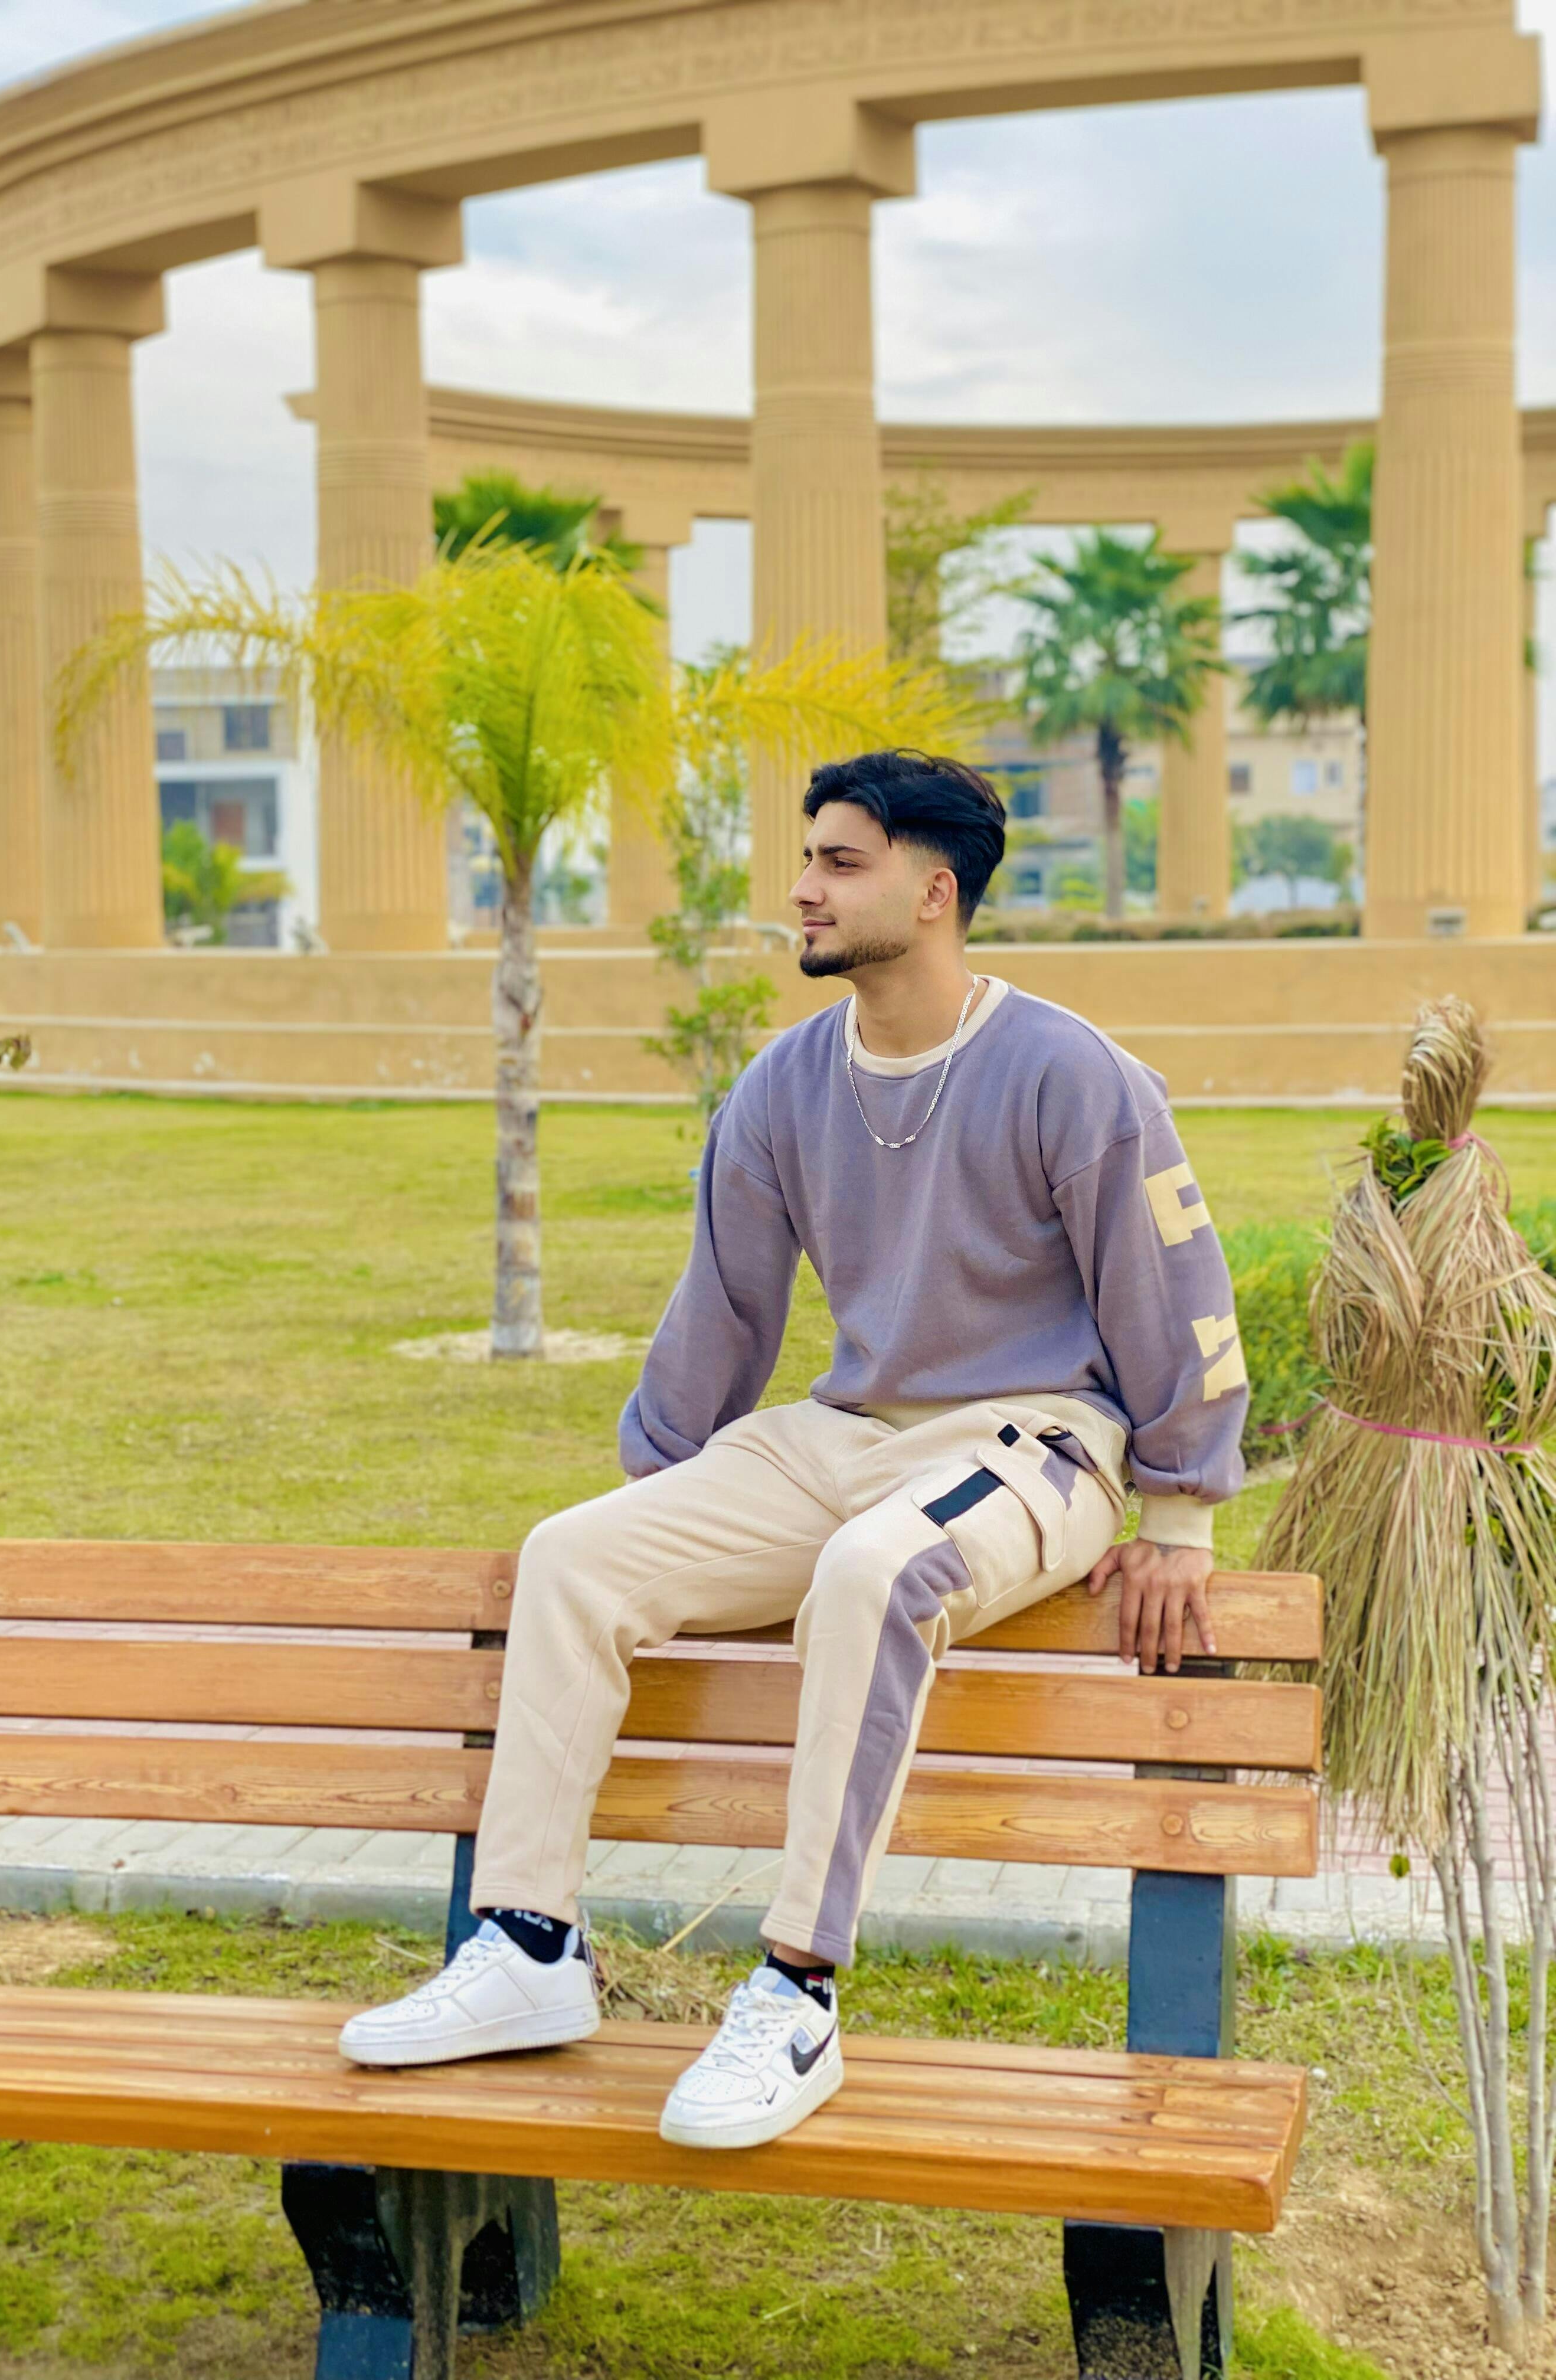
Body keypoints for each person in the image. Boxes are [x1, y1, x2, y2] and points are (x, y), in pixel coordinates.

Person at [338, 748, 1248, 2152]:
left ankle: (796, 1992)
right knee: (574, 1557)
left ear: (933, 893)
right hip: (841, 1435)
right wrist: (669, 1495)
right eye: (808, 859)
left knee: (876, 1572)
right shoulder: (782, 1084)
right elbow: (723, 1308)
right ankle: (527, 1946)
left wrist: (1182, 1511)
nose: (803, 888)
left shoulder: (1069, 1073)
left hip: (1038, 1443)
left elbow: (1171, 1284)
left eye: (839, 863)